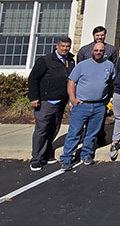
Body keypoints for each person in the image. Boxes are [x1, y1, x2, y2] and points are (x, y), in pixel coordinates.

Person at [59, 42, 115, 171]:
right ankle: (67, 158)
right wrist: (72, 99)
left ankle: (86, 154)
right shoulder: (82, 65)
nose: (98, 52)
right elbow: (71, 81)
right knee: (74, 133)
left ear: (104, 52)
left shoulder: (109, 65)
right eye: (96, 50)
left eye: (101, 50)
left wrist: (107, 100)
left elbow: (111, 83)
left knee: (91, 133)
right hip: (82, 105)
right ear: (92, 51)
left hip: (99, 106)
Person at [27, 36, 74, 171]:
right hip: (46, 101)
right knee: (41, 130)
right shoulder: (45, 60)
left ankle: (46, 154)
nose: (65, 49)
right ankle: (36, 159)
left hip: (61, 101)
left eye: (67, 46)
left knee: (54, 128)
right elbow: (33, 79)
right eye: (63, 46)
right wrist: (34, 98)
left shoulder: (70, 60)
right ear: (57, 46)